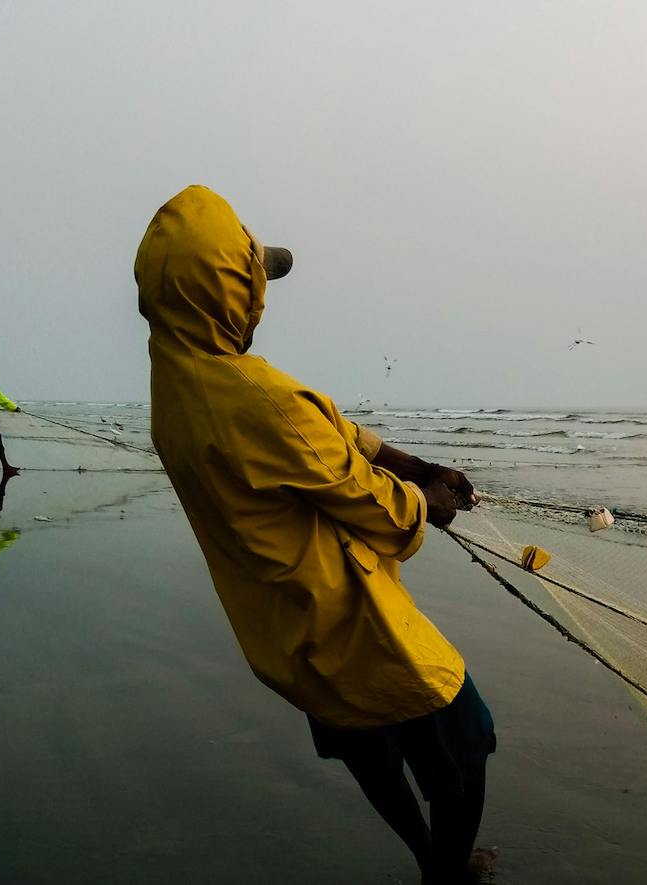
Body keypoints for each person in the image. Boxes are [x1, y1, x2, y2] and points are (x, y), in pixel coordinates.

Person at [136, 185, 495, 884]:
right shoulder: (259, 398)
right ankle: (445, 872)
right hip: (358, 622)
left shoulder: (181, 386)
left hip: (286, 628)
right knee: (466, 744)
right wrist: (429, 499)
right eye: (251, 278)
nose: (259, 293)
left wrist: (417, 462)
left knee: (367, 750)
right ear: (229, 293)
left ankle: (428, 859)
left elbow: (327, 429)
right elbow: (382, 512)